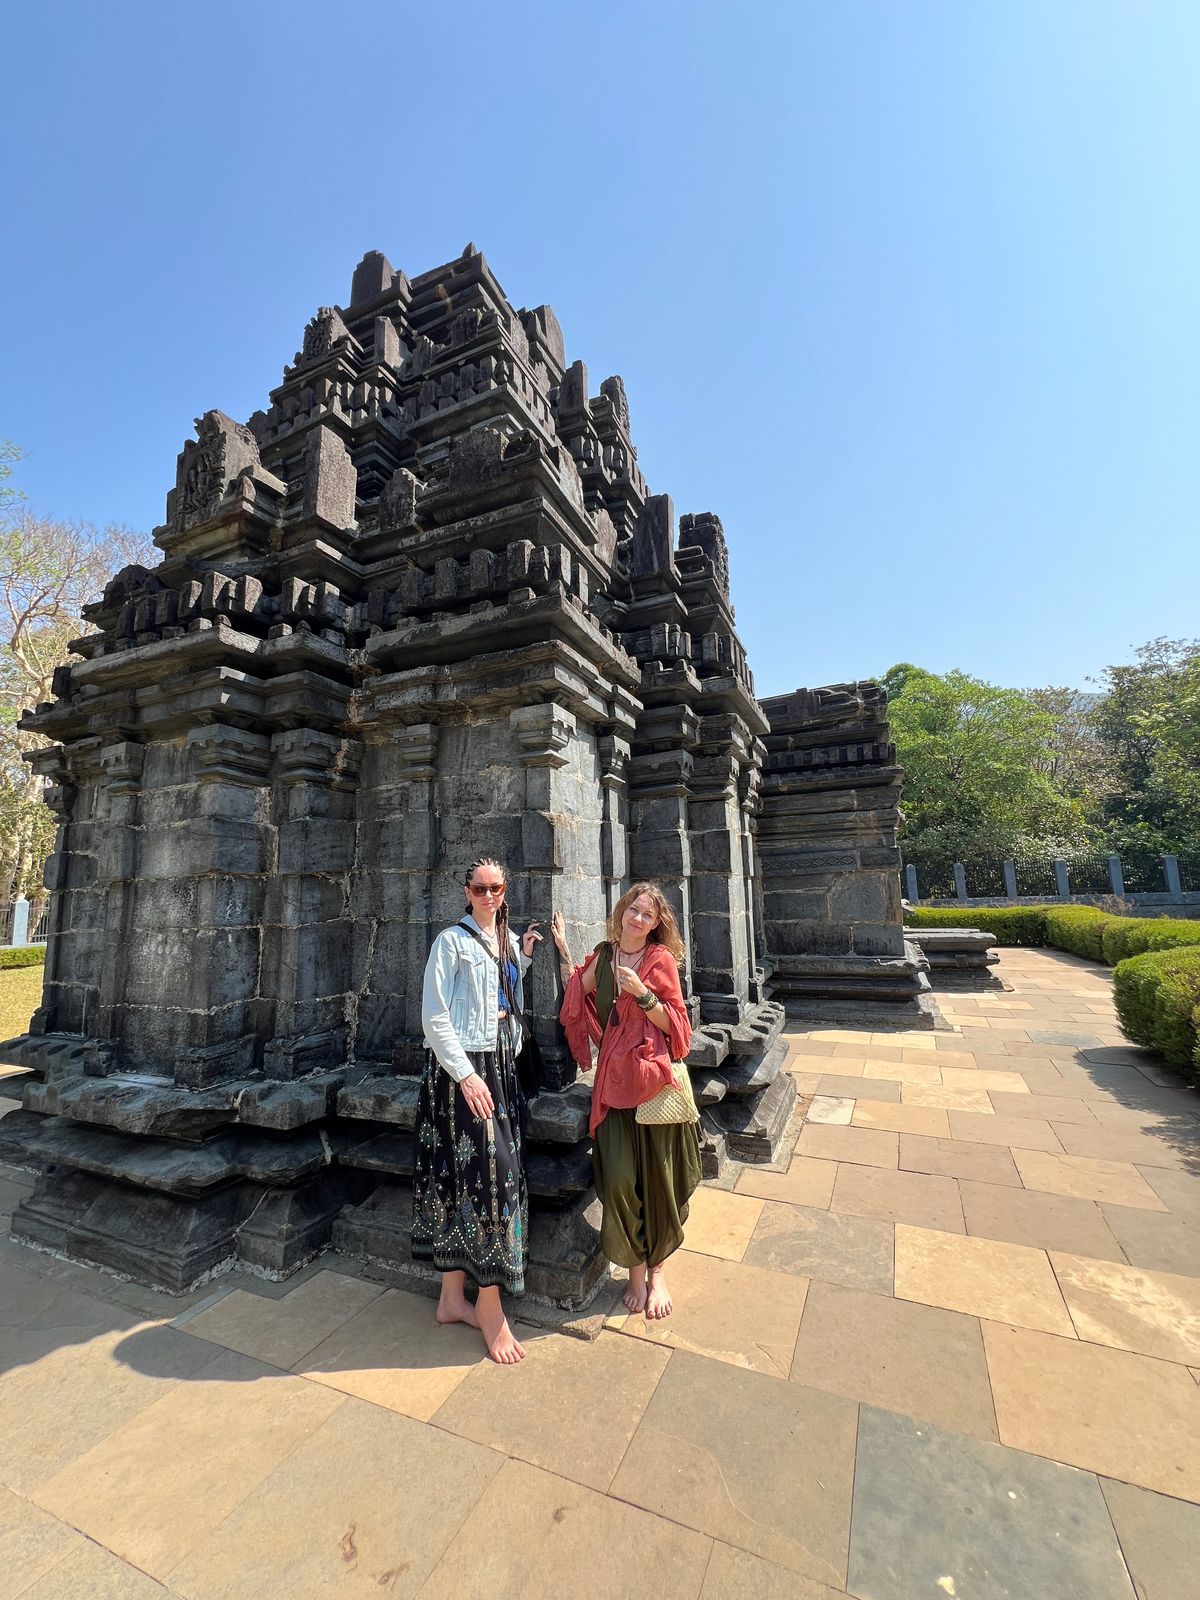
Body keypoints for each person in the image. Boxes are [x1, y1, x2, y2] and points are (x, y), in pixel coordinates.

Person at [415, 856, 542, 1364]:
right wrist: (466, 1075)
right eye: (480, 889)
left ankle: (452, 1299)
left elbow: (502, 991)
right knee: (492, 1180)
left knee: (469, 1178)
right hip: (462, 1072)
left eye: (496, 888)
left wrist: (525, 956)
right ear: (466, 892)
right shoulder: (450, 942)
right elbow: (434, 1016)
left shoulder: (505, 940)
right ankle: (489, 1306)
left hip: (501, 1067)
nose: (489, 896)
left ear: (505, 891)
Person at [553, 884, 701, 1320]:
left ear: (656, 924)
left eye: (647, 915)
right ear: (622, 912)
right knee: (619, 1180)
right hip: (614, 1086)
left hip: (653, 1086)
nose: (638, 918)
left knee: (658, 1181)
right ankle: (634, 1272)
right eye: (633, 910)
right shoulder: (605, 957)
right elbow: (575, 993)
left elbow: (679, 1030)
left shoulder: (660, 961)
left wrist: (642, 993)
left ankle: (657, 1273)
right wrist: (562, 950)